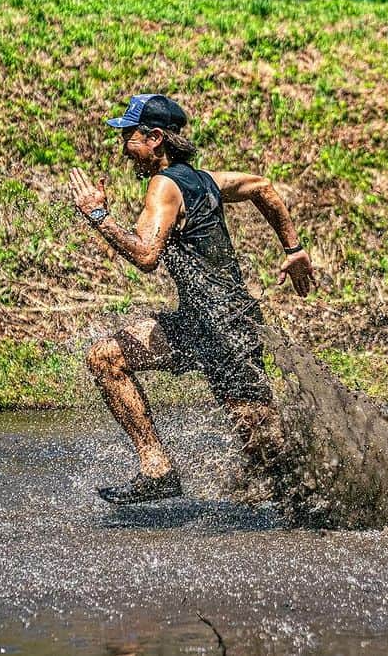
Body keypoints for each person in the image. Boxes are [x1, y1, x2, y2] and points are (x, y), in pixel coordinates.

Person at [69, 93, 315, 505]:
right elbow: (261, 186)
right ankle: (157, 469)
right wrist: (295, 249)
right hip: (201, 322)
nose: (124, 148)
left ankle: (340, 491)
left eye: (129, 137)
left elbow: (146, 255)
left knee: (267, 449)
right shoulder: (204, 180)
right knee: (106, 357)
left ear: (155, 138)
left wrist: (98, 216)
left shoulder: (163, 186)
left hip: (224, 329)